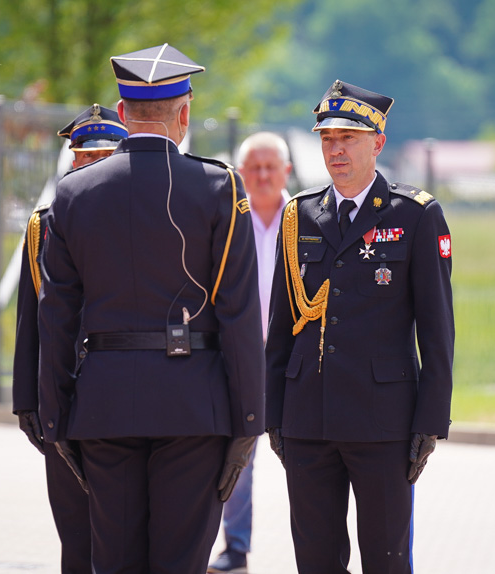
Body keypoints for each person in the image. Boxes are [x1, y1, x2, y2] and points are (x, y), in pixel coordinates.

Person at [38, 43, 264, 574]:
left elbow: (57, 316)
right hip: (194, 407)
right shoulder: (218, 186)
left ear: (122, 114)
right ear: (183, 116)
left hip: (103, 404)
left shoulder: (73, 192)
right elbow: (238, 314)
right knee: (180, 562)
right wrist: (249, 419)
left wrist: (56, 416)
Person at [264, 80, 454, 574]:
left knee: (386, 560)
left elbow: (437, 332)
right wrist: (273, 414)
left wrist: (430, 422)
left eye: (348, 138)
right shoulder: (298, 214)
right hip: (308, 419)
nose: (336, 149)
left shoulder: (414, 215)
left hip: (383, 424)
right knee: (315, 561)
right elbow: (280, 328)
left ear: (378, 143)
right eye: (327, 139)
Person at [12, 104, 127, 574]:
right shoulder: (43, 225)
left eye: (105, 156)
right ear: (71, 161)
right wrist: (27, 402)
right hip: (63, 395)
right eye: (84, 157)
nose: (93, 165)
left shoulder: (139, 223)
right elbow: (30, 320)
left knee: (121, 534)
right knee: (75, 534)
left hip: (122, 390)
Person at [208, 132, 292, 573]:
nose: (261, 176)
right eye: (253, 168)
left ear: (287, 172)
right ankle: (236, 547)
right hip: (238, 357)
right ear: (240, 173)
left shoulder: (306, 219)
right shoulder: (227, 219)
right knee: (235, 453)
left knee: (308, 455)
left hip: (292, 357)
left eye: (270, 167)